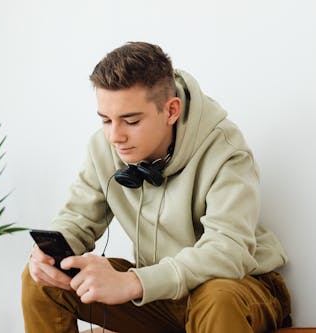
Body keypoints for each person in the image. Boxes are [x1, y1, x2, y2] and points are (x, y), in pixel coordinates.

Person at [21, 42, 292, 333]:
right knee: (39, 280)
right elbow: (77, 219)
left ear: (171, 110)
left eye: (131, 120)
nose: (115, 136)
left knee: (216, 298)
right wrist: (49, 255)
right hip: (158, 294)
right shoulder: (104, 147)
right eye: (105, 120)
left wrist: (135, 282)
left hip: (239, 288)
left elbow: (227, 250)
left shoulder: (226, 150)